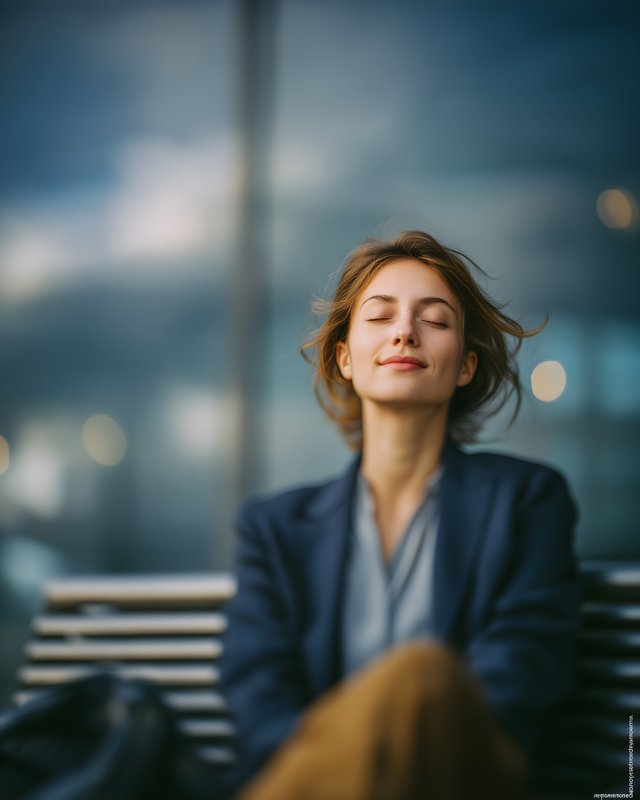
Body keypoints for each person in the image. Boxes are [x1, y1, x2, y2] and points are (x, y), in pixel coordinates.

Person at [219, 230, 581, 800]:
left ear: (464, 365)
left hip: (465, 776)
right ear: (344, 358)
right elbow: (258, 697)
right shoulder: (274, 527)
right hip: (310, 781)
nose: (405, 332)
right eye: (379, 317)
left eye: (434, 321)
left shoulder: (528, 501)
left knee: (422, 678)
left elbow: (522, 669)